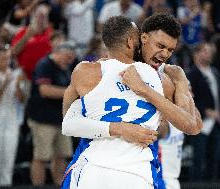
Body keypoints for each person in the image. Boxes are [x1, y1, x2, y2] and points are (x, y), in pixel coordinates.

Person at [61, 15, 202, 189]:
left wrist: (174, 85)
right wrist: (121, 128)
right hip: (110, 162)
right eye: (160, 46)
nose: (165, 54)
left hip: (123, 164)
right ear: (141, 39)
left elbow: (190, 126)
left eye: (170, 50)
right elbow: (68, 119)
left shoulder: (89, 70)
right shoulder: (164, 80)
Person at [26, 42, 76, 186]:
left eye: (71, 58)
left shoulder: (66, 66)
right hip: (42, 119)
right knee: (42, 156)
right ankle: (38, 186)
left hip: (60, 119)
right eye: (67, 57)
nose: (69, 61)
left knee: (62, 155)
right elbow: (45, 90)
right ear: (58, 53)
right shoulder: (45, 65)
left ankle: (59, 185)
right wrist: (70, 93)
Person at [187, 42, 220, 181]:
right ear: (196, 54)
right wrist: (204, 110)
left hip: (216, 122)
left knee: (214, 159)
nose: (209, 54)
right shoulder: (192, 74)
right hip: (201, 123)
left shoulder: (214, 72)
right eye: (205, 51)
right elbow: (188, 98)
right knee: (198, 159)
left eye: (209, 51)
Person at [0, 47, 27, 186]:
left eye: (7, 59)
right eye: (2, 58)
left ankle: (6, 184)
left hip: (12, 120)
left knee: (9, 154)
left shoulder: (15, 74)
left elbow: (21, 100)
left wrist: (19, 85)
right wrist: (5, 83)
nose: (6, 61)